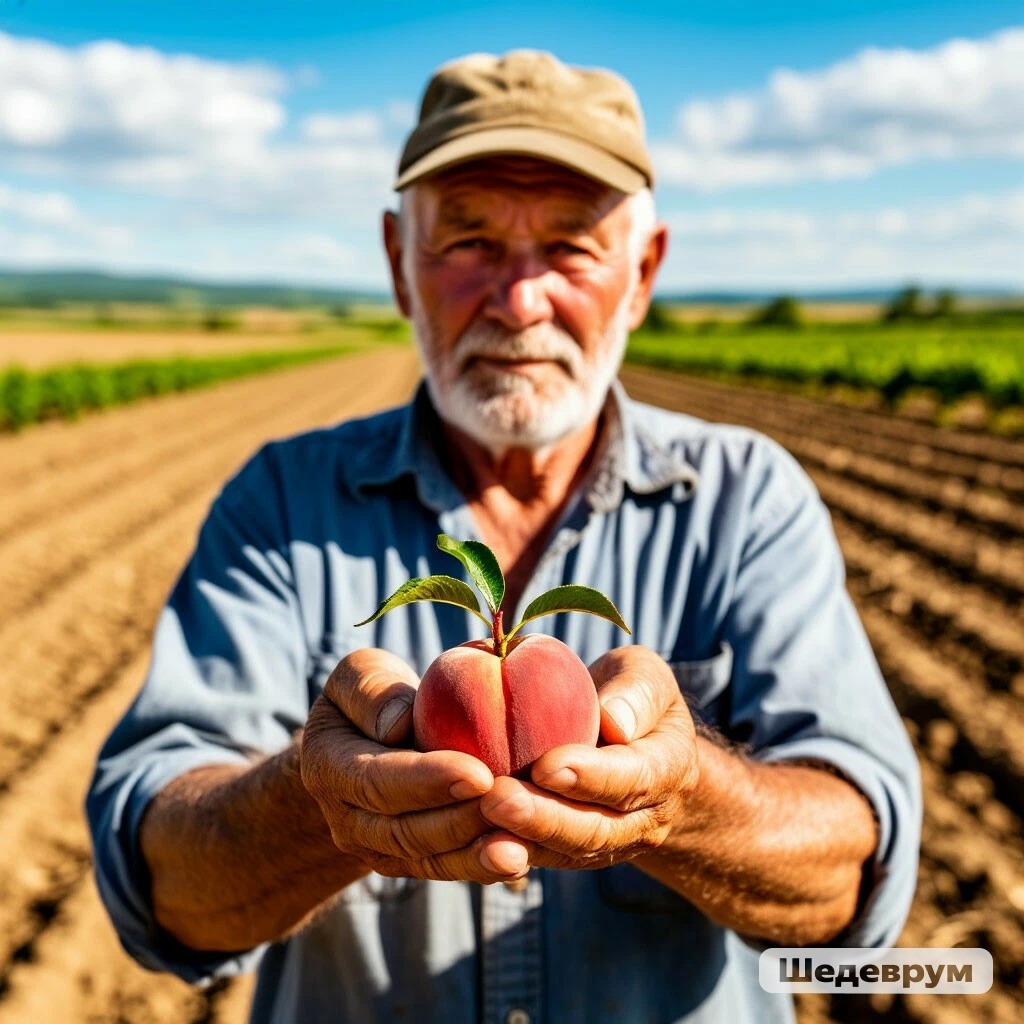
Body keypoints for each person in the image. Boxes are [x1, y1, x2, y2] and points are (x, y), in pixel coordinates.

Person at [87, 49, 921, 1024]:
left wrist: (686, 797)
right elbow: (160, 878)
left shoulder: (745, 500)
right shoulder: (282, 502)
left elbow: (854, 879)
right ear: (400, 264)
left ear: (642, 275)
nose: (519, 299)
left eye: (570, 245)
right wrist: (318, 807)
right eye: (470, 240)